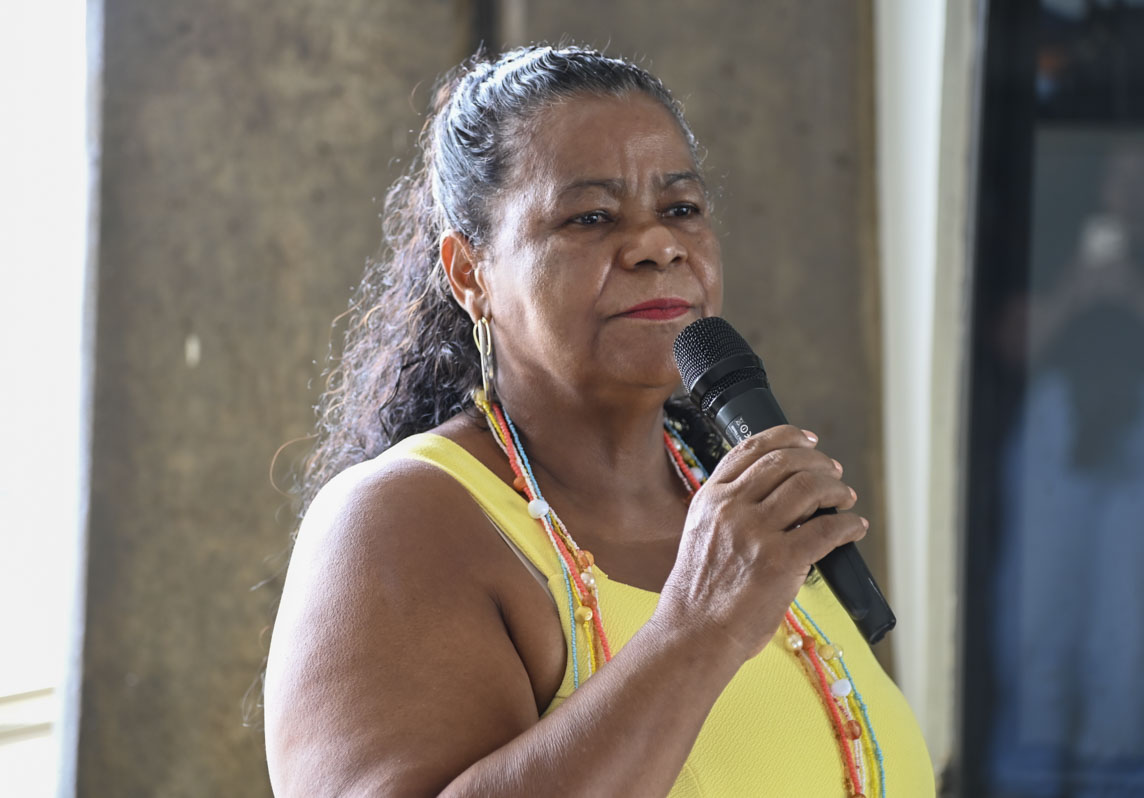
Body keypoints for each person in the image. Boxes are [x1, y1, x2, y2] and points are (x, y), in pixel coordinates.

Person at [264, 45, 935, 797]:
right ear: (469, 273)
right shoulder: (398, 521)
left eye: (680, 209)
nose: (658, 245)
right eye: (590, 217)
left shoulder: (743, 514)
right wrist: (699, 627)